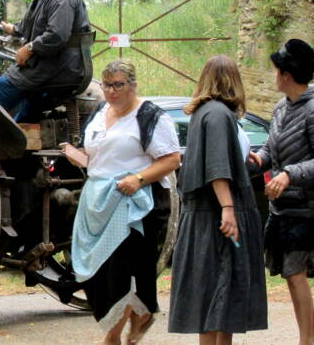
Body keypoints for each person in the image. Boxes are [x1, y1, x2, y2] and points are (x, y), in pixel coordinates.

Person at [64, 60, 181, 345]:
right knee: (95, 274)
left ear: (133, 84)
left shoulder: (150, 116)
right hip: (97, 203)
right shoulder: (99, 112)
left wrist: (139, 178)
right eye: (107, 85)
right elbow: (98, 156)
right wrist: (77, 156)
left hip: (132, 205)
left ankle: (113, 337)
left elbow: (172, 159)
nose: (112, 91)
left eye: (119, 85)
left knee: (119, 272)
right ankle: (140, 316)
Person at [169, 55, 267, 345]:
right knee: (218, 292)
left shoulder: (205, 113)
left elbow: (221, 157)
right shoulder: (219, 115)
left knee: (218, 298)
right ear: (232, 80)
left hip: (206, 216)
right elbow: (216, 167)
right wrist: (228, 208)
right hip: (217, 218)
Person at [248, 39, 314, 345]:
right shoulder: (279, 107)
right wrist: (258, 158)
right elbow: (271, 147)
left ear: (287, 74)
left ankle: (307, 339)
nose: (273, 74)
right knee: (289, 273)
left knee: (294, 271)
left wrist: (289, 174)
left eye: (276, 69)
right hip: (282, 207)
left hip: (306, 207)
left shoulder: (313, 109)